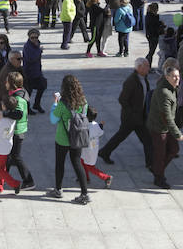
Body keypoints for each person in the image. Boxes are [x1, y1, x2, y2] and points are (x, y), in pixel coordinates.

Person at [97, 57, 152, 169]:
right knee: (144, 140)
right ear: (139, 67)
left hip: (140, 117)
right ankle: (151, 163)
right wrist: (132, 113)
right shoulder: (131, 81)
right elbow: (122, 99)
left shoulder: (144, 79)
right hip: (131, 118)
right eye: (146, 66)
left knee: (141, 139)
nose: (149, 68)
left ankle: (104, 152)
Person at [48, 74, 90, 204]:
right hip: (77, 137)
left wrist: (55, 103)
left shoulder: (62, 103)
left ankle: (58, 190)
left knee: (60, 163)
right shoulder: (84, 101)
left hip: (63, 138)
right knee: (77, 163)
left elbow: (53, 120)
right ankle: (84, 194)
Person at [147, 64, 183, 189]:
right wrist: (177, 133)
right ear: (167, 77)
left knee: (174, 149)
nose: (177, 79)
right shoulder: (164, 92)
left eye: (178, 76)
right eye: (174, 76)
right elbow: (166, 116)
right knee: (160, 154)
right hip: (159, 128)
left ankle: (156, 168)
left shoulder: (171, 87)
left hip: (165, 127)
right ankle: (158, 177)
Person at [2, 71, 34, 189]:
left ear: (12, 84)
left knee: (16, 156)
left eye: (7, 81)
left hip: (17, 131)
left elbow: (18, 114)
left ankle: (29, 181)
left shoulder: (18, 98)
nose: (5, 83)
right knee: (8, 155)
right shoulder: (20, 93)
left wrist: (5, 114)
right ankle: (3, 176)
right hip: (16, 129)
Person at [0, 102, 21, 194]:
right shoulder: (12, 118)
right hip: (6, 146)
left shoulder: (0, 118)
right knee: (2, 168)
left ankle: (15, 184)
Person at [81, 107, 113, 188]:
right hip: (93, 148)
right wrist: (101, 125)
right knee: (82, 162)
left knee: (89, 167)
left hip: (87, 150)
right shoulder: (96, 125)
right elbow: (100, 132)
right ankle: (85, 178)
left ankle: (106, 177)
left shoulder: (85, 126)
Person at [21, 28, 46, 113]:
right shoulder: (27, 46)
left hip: (37, 71)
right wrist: (39, 51)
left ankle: (36, 104)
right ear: (29, 37)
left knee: (42, 86)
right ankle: (27, 108)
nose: (34, 39)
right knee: (28, 91)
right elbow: (30, 59)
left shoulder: (37, 44)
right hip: (29, 72)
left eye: (36, 37)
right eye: (32, 38)